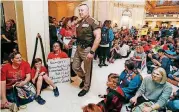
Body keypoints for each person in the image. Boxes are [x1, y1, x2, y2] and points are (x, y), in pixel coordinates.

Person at [72, 4, 101, 97]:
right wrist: (77, 21)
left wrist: (92, 52)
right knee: (75, 66)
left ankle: (86, 87)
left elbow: (98, 38)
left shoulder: (93, 22)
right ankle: (85, 79)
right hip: (79, 47)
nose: (80, 12)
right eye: (79, 10)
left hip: (87, 49)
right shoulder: (80, 21)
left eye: (82, 10)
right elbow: (72, 25)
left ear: (88, 11)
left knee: (88, 69)